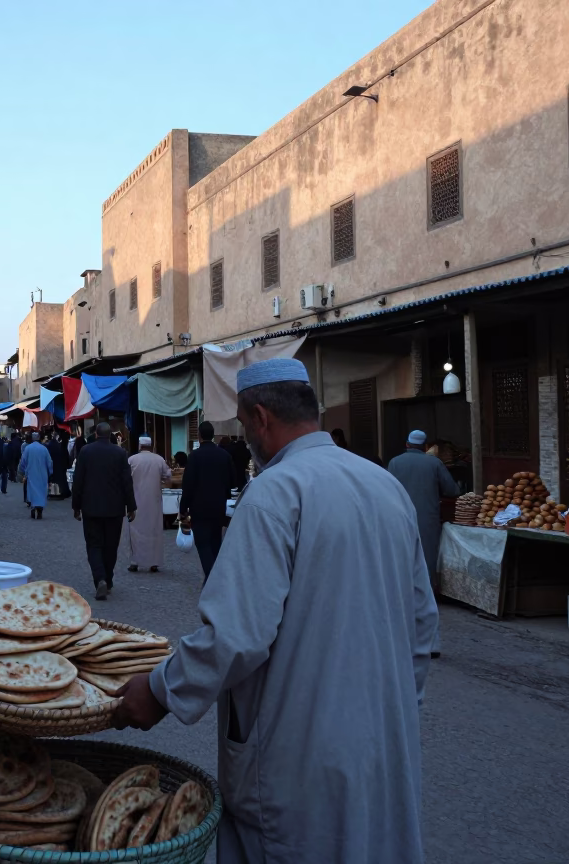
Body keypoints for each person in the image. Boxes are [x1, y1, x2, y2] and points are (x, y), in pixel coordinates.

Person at [115, 357, 437, 864]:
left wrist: (159, 691)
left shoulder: (274, 492)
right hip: (380, 742)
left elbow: (236, 634)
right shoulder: (385, 487)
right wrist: (392, 709)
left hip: (297, 751)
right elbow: (422, 625)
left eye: (244, 426)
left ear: (260, 418)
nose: (247, 439)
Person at [388, 429, 460, 658]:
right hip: (427, 521)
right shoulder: (434, 463)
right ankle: (428, 627)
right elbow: (452, 490)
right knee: (425, 570)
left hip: (399, 519)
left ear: (407, 443)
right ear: (424, 445)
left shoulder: (395, 463)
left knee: (401, 564)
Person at [72, 422, 137, 600]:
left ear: (96, 434)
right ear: (110, 436)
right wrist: (131, 506)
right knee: (111, 546)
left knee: (94, 545)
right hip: (115, 509)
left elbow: (78, 480)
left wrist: (76, 506)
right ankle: (107, 579)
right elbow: (127, 482)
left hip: (91, 508)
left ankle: (100, 578)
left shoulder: (85, 451)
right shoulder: (120, 453)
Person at [179, 421, 241, 581]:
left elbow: (188, 484)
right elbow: (232, 482)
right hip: (218, 507)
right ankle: (212, 581)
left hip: (199, 508)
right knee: (215, 543)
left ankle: (213, 579)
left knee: (203, 544)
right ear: (213, 435)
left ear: (199, 436)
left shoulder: (194, 457)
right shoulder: (224, 456)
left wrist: (183, 507)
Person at [127, 436, 172, 573]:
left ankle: (135, 562)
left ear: (140, 446)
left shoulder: (132, 460)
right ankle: (154, 563)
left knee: (135, 531)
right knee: (154, 531)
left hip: (136, 500)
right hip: (154, 501)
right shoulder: (159, 460)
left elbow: (125, 479)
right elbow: (168, 476)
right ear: (151, 446)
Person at [18, 432, 53, 520]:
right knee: (41, 492)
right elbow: (49, 462)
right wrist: (50, 472)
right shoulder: (44, 449)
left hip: (31, 473)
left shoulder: (28, 448)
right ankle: (40, 510)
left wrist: (23, 471)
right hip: (42, 474)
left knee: (32, 491)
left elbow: (23, 461)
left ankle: (33, 507)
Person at [47, 431, 72, 499]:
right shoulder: (61, 445)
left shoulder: (53, 445)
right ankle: (62, 492)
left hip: (56, 464)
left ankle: (56, 492)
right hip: (61, 464)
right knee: (62, 479)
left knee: (56, 479)